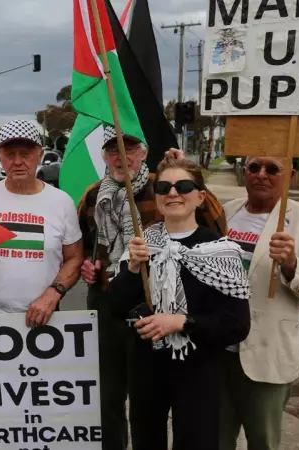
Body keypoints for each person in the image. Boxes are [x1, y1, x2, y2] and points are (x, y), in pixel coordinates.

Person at [76, 128, 227, 450]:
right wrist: (89, 267)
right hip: (108, 304)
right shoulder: (92, 196)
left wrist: (192, 176)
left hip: (156, 307)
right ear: (104, 157)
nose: (121, 157)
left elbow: (215, 225)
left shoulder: (165, 188)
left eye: (128, 149)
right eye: (112, 150)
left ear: (142, 153)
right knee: (109, 393)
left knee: (155, 397)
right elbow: (87, 247)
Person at [108, 157, 251, 450]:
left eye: (184, 185)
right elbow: (117, 306)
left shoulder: (219, 250)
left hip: (199, 370)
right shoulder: (142, 243)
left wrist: (180, 322)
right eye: (164, 187)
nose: (173, 193)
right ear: (157, 196)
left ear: (200, 197)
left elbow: (237, 325)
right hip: (147, 368)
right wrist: (134, 268)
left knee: (196, 442)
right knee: (147, 441)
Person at [219, 157, 299, 450]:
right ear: (243, 172)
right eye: (254, 167)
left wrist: (292, 265)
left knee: (263, 442)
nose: (262, 175)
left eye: (272, 169)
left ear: (290, 175)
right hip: (217, 353)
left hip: (267, 356)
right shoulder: (226, 213)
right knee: (215, 439)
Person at [0, 119, 83, 326]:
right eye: (10, 154)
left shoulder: (62, 202)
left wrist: (53, 293)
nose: (18, 161)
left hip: (46, 316)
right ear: (0, 157)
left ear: (40, 154)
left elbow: (74, 258)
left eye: (25, 154)